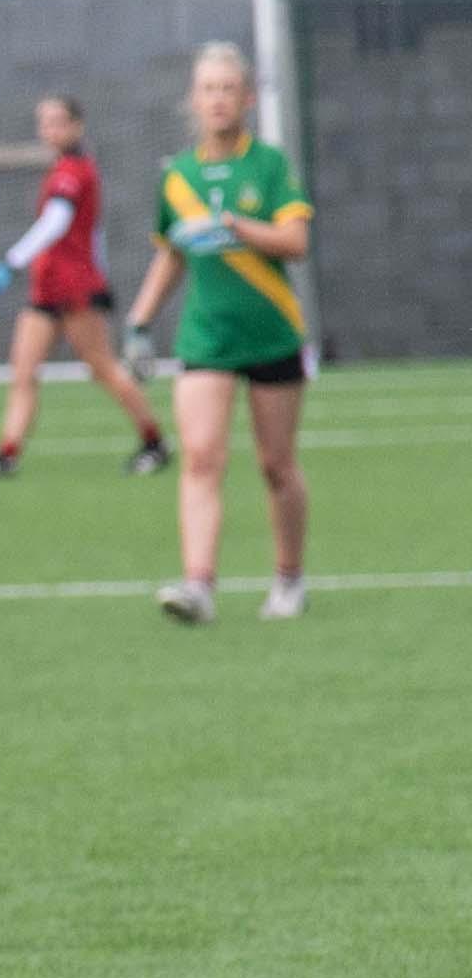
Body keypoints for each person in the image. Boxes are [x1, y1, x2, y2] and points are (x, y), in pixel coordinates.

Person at [124, 43, 314, 623]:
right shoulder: (177, 176)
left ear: (247, 98)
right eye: (207, 89)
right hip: (205, 338)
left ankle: (289, 578)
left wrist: (237, 226)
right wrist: (138, 322)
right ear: (194, 99)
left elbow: (296, 243)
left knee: (276, 466)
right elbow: (171, 256)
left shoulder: (270, 166)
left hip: (272, 332)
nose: (217, 99)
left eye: (228, 88)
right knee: (201, 458)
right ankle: (198, 587)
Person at [0, 96, 168, 480]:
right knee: (23, 370)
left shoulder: (72, 172)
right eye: (45, 122)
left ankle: (154, 441)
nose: (50, 130)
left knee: (102, 368)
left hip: (74, 288)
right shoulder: (63, 169)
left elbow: (57, 222)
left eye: (58, 121)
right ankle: (6, 454)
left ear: (77, 125)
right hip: (47, 288)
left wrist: (12, 261)